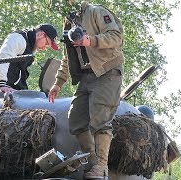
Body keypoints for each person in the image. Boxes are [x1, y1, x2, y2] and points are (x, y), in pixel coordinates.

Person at [48, 0, 124, 179]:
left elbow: (115, 36)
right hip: (86, 76)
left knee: (100, 119)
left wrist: (90, 40)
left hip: (107, 71)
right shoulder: (68, 23)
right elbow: (68, 56)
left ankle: (101, 166)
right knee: (75, 119)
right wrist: (58, 82)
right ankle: (92, 162)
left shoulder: (96, 12)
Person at [0, 24, 59, 92]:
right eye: (47, 43)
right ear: (41, 34)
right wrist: (2, 84)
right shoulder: (17, 38)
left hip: (14, 88)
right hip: (2, 87)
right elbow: (3, 58)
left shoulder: (30, 46)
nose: (45, 48)